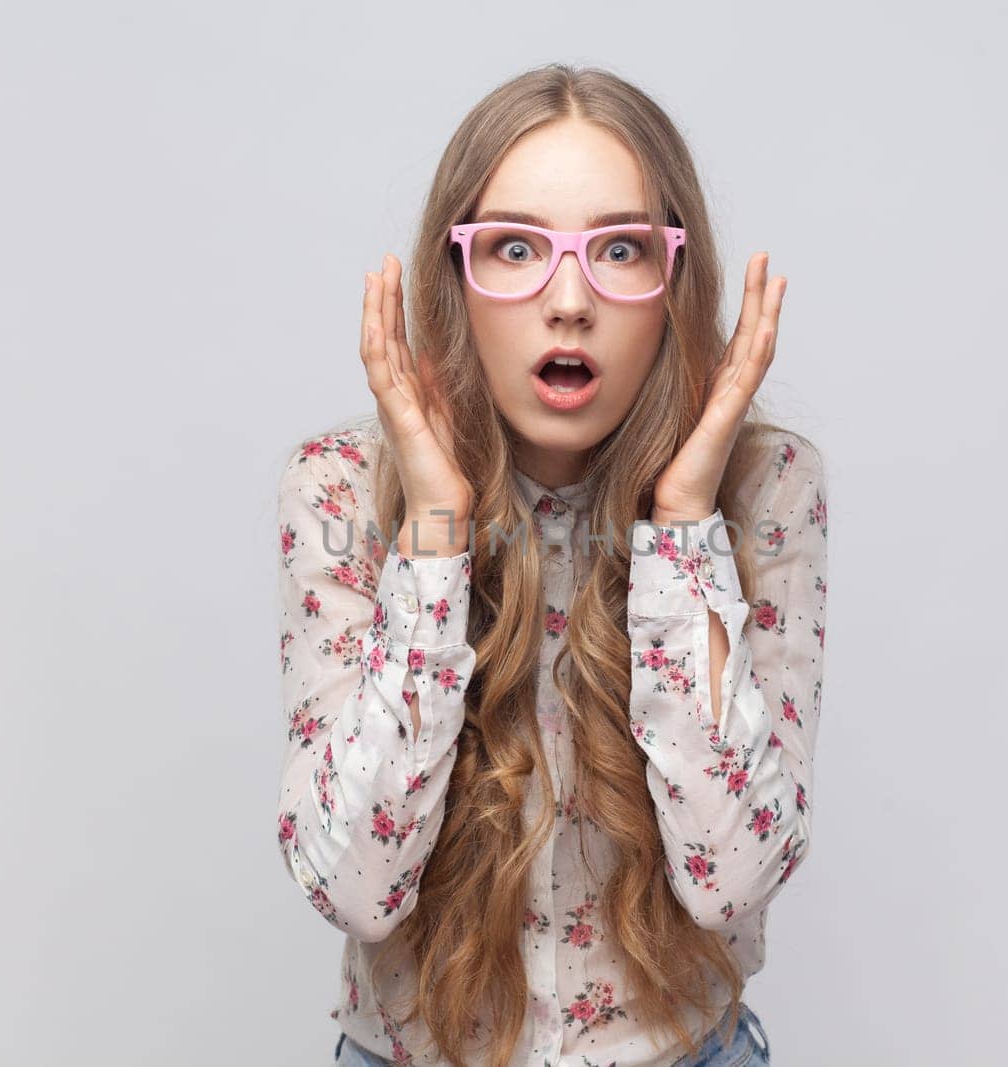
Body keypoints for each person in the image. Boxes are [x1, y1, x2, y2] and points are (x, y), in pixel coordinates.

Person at [275, 63, 827, 1067]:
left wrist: (685, 524)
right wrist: (436, 532)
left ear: (674, 280)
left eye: (618, 249)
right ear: (455, 277)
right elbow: (356, 887)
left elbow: (730, 879)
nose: (567, 301)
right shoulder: (342, 490)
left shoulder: (767, 485)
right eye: (515, 248)